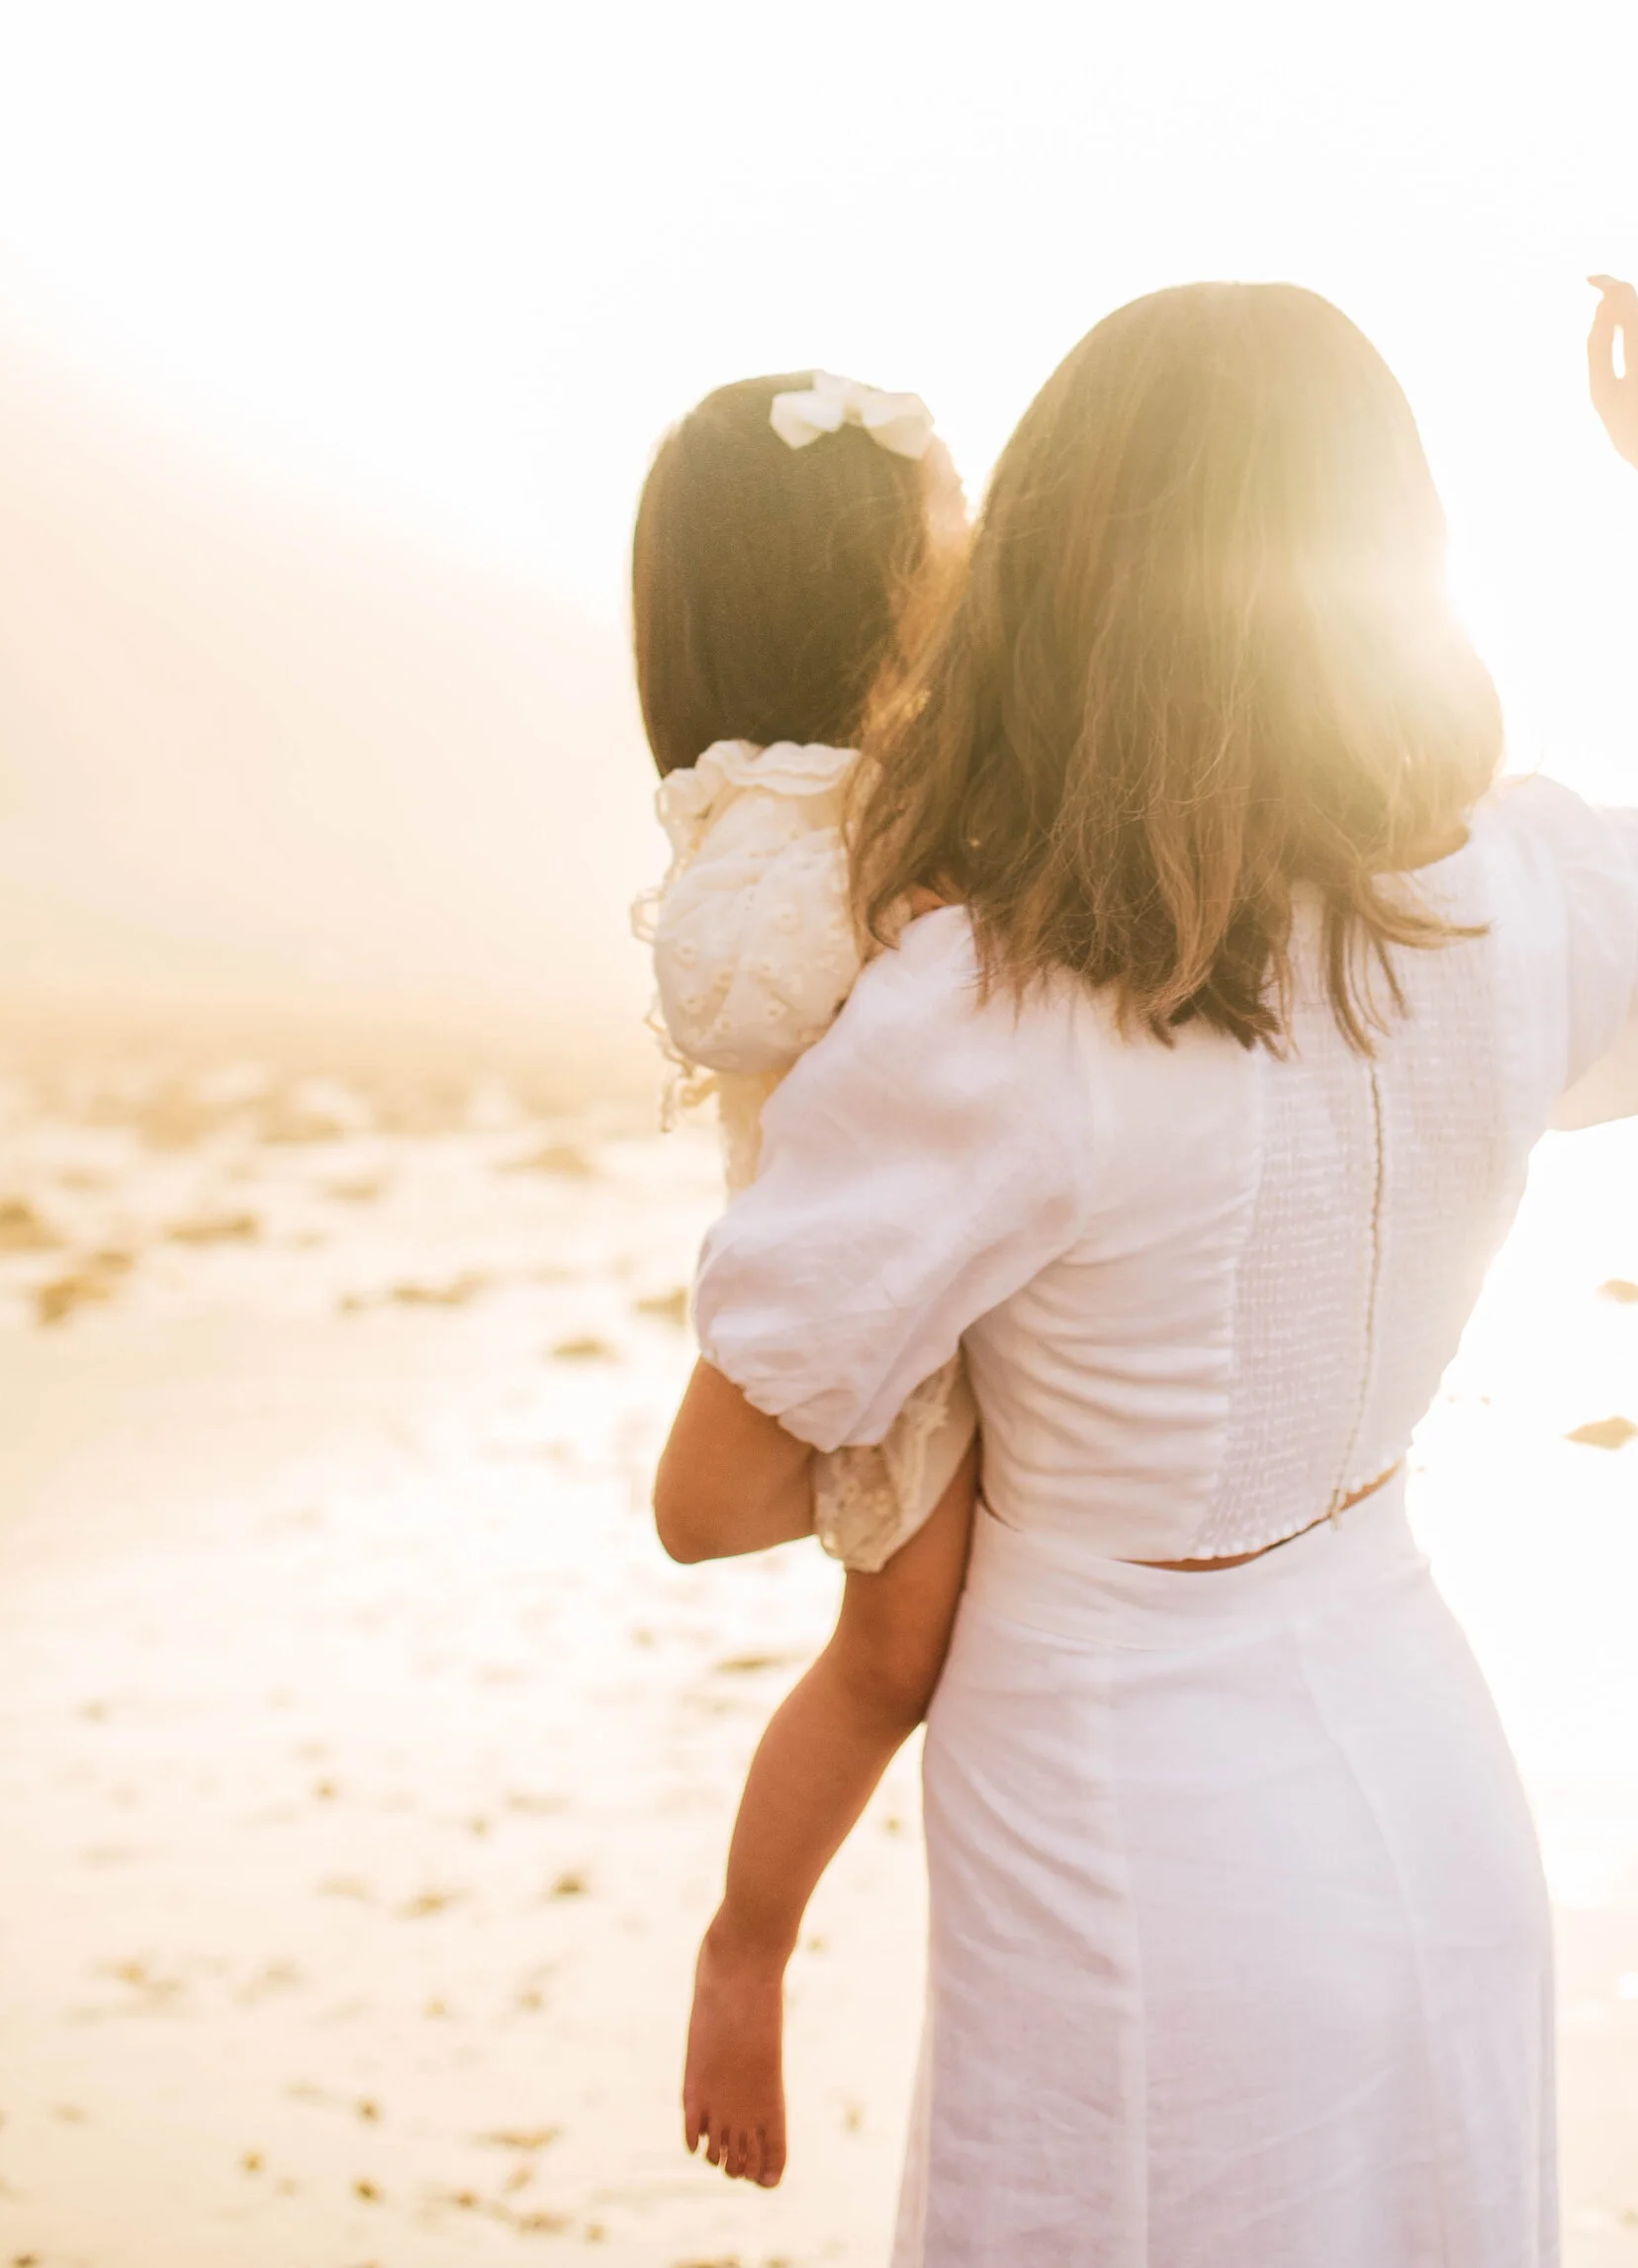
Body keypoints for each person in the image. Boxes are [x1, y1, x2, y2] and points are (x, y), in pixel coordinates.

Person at [654, 279, 1638, 2266]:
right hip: (1421, 1764)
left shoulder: (977, 1008)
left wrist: (973, 1411)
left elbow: (717, 1494)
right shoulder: (1511, 896)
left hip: (1130, 1839)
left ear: (1054, 575)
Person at [630, 367, 982, 2189]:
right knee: (888, 1651)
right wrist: (905, 909)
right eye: (943, 520)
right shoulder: (786, 818)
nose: (979, 538)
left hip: (932, 1252)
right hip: (861, 1274)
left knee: (907, 1645)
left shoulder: (899, 778)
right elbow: (737, 993)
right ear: (855, 584)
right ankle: (744, 1947)